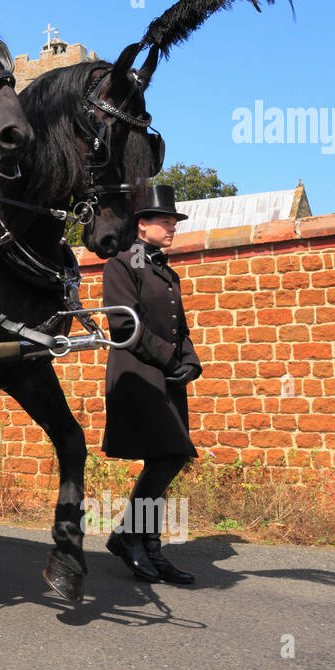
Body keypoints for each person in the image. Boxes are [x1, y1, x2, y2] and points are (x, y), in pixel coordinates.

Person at [101, 184, 203, 585]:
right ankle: (132, 540)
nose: (172, 227)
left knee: (166, 458)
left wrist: (191, 362)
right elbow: (125, 325)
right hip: (138, 376)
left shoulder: (166, 270)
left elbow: (182, 328)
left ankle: (144, 546)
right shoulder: (121, 264)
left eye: (174, 221)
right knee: (170, 456)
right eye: (165, 220)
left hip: (168, 377)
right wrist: (171, 358)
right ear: (142, 225)